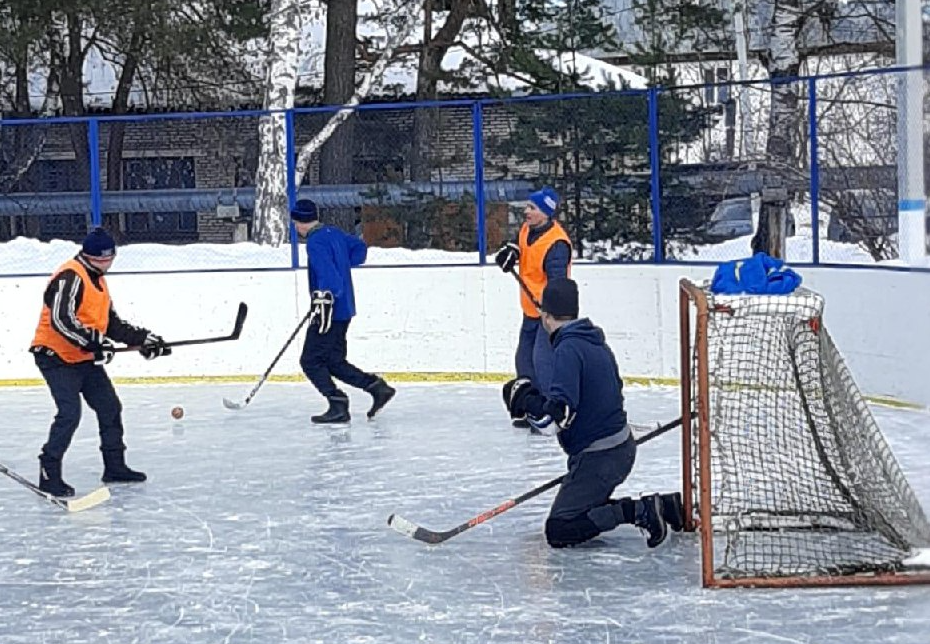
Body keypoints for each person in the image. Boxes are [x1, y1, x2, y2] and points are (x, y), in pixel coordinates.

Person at [501, 277, 683, 548]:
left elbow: (554, 421)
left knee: (561, 529)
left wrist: (525, 401)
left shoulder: (567, 349)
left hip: (600, 458)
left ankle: (640, 510)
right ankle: (666, 506)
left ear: (545, 316)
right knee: (583, 507)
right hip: (618, 447)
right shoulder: (593, 340)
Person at [30, 228, 172, 497]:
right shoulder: (69, 276)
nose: (106, 264)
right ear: (88, 255)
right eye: (100, 260)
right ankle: (49, 471)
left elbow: (110, 324)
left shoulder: (98, 279)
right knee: (70, 413)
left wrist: (143, 339)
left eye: (109, 259)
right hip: (55, 357)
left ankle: (115, 466)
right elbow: (63, 321)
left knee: (109, 407)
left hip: (83, 358)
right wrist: (95, 343)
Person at [290, 199, 395, 424]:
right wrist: (343, 262)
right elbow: (359, 250)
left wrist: (324, 296)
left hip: (328, 312)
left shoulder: (315, 242)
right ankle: (376, 387)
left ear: (299, 222)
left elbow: (328, 277)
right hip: (344, 309)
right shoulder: (334, 233)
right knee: (334, 361)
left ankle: (337, 402)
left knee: (310, 360)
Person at [494, 186, 571, 428]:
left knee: (542, 361)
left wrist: (549, 310)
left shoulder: (557, 244)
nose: (526, 211)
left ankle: (553, 411)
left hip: (549, 313)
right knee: (524, 360)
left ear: (545, 213)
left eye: (532, 208)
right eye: (527, 206)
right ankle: (532, 407)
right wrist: (511, 253)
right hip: (530, 310)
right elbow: (523, 248)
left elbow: (558, 282)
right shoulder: (529, 229)